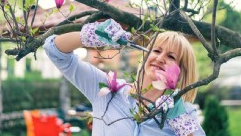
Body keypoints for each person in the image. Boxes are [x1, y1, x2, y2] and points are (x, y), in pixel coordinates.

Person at [43, 19, 206, 136]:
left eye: (171, 56)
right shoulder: (106, 91)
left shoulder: (182, 114)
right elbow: (54, 51)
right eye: (156, 51)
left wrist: (184, 128)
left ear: (181, 72)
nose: (160, 58)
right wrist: (90, 36)